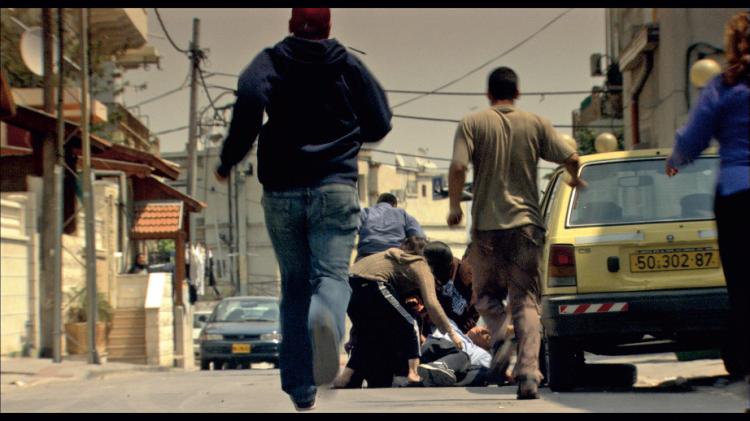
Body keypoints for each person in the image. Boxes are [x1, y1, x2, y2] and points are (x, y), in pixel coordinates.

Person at [214, 8, 392, 411]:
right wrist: (347, 136)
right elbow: (380, 121)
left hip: (281, 192)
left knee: (293, 285)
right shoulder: (346, 63)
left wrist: (228, 159)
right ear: (328, 27)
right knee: (330, 277)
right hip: (335, 189)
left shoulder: (272, 60)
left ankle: (300, 387)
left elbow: (250, 96)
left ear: (292, 25)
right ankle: (323, 317)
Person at [447, 66, 585, 399]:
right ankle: (528, 374)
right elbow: (571, 156)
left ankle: (500, 333)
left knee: (484, 296)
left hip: (487, 229)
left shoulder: (473, 124)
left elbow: (458, 166)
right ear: (518, 92)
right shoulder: (536, 123)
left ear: (488, 94)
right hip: (526, 227)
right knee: (526, 302)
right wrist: (574, 179)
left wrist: (454, 206)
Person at [665, 11, 749, 413]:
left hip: (737, 195)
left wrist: (677, 158)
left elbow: (694, 135)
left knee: (743, 287)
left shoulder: (724, 86)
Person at [334, 242, 464, 389]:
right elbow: (432, 303)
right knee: (412, 321)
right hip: (372, 283)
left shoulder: (400, 261)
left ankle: (346, 378)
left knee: (368, 335)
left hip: (348, 285)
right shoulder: (421, 265)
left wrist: (352, 338)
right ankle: (414, 372)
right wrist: (451, 332)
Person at [418, 319, 492, 387]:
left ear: (487, 347)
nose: (482, 331)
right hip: (433, 349)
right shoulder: (452, 324)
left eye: (487, 336)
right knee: (463, 356)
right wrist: (421, 340)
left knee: (484, 373)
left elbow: (496, 370)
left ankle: (435, 379)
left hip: (452, 368)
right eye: (484, 328)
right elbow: (425, 317)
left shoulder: (482, 354)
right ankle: (439, 366)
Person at [356, 192, 425, 261]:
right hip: (395, 256)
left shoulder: (365, 212)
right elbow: (418, 237)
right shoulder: (402, 213)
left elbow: (352, 229)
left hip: (366, 255)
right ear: (394, 204)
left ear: (377, 203)